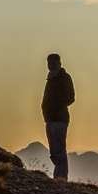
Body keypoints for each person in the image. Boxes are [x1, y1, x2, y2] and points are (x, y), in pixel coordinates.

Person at [41, 53, 75, 181]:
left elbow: (71, 97)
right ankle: (59, 176)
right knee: (54, 151)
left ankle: (61, 178)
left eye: (53, 63)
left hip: (60, 119)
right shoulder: (50, 78)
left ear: (59, 63)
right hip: (50, 119)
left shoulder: (64, 78)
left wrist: (57, 106)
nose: (50, 65)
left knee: (59, 149)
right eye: (49, 63)